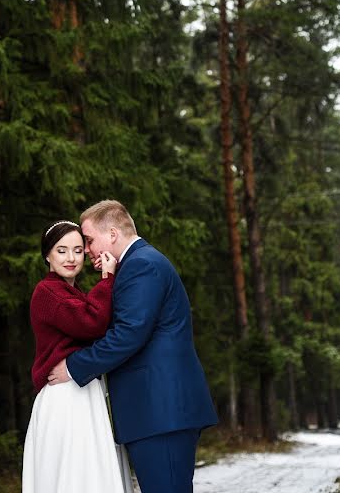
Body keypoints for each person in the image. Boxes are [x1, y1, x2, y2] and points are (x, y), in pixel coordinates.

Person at [47, 200, 218, 493]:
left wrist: (74, 367)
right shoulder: (137, 264)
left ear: (112, 234)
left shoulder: (142, 265)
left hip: (161, 411)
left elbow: (128, 334)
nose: (86, 250)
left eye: (89, 241)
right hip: (157, 412)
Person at [22, 220, 129, 493]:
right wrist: (107, 280)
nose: (71, 258)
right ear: (47, 254)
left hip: (78, 389)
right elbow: (90, 322)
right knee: (75, 475)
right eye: (62, 250)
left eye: (78, 250)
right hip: (65, 397)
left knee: (86, 473)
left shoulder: (72, 292)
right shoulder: (48, 292)